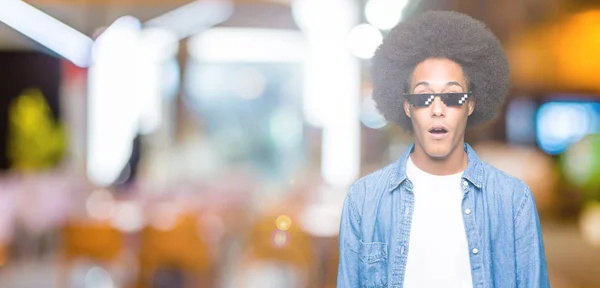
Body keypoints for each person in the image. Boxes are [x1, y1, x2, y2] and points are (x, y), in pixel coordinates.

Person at [337, 10, 549, 288]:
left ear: (470, 104)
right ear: (407, 106)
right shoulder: (363, 200)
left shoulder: (512, 200)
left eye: (452, 96)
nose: (438, 110)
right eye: (424, 97)